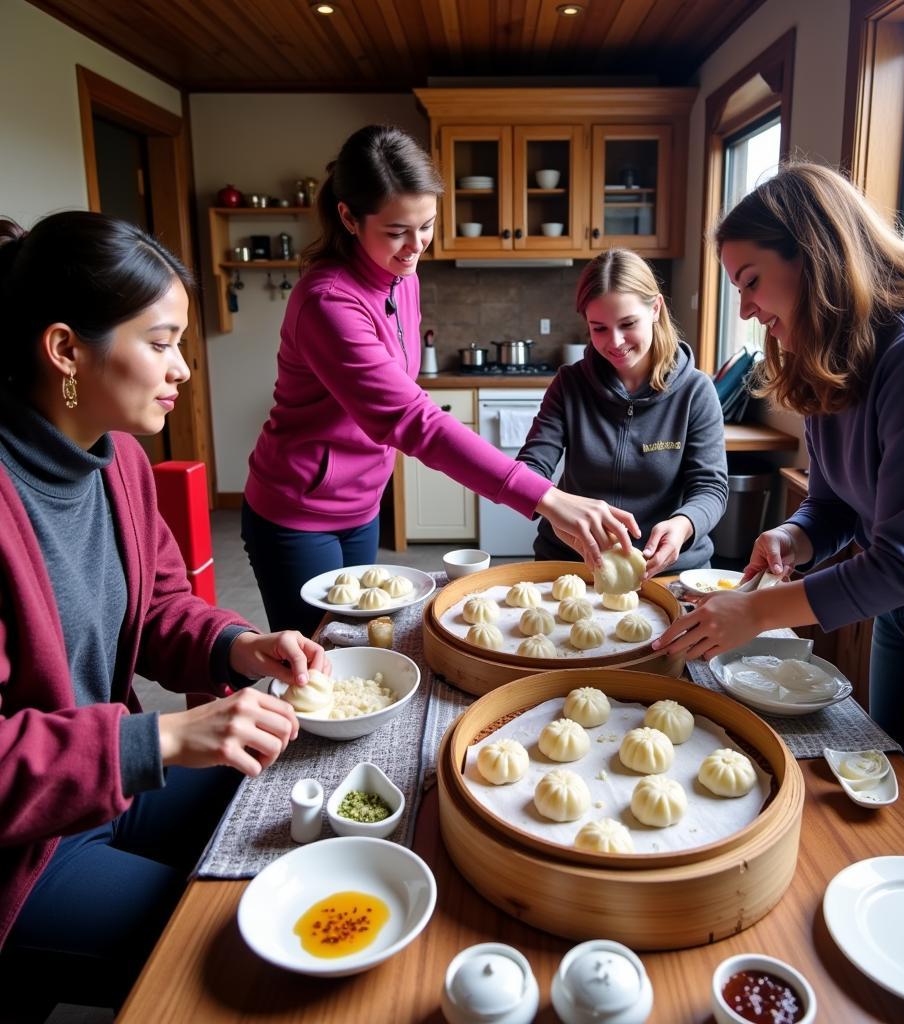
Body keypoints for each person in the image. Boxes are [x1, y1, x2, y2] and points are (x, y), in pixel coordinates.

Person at [0, 210, 326, 1015]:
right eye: (161, 341)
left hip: (99, 792)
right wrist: (164, 738)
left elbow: (158, 608)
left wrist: (242, 646)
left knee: (295, 791)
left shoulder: (119, 465)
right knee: (236, 944)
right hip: (21, 853)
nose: (181, 368)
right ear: (66, 349)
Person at [653, 163, 904, 839]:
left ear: (815, 254)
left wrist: (756, 611)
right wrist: (795, 537)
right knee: (885, 783)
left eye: (751, 281)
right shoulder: (826, 350)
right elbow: (832, 504)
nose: (746, 309)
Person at [242, 125, 637, 637]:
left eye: (426, 225)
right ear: (348, 217)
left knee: (357, 640)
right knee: (315, 659)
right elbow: (410, 418)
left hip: (362, 504)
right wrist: (549, 498)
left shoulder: (403, 276)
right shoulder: (328, 302)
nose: (414, 247)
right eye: (396, 231)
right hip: (296, 511)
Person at [517, 248, 728, 578]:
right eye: (598, 328)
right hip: (572, 563)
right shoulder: (569, 384)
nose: (614, 343)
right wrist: (555, 511)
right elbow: (531, 468)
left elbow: (710, 488)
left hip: (667, 570)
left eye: (628, 324)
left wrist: (684, 525)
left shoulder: (696, 392)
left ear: (655, 309)